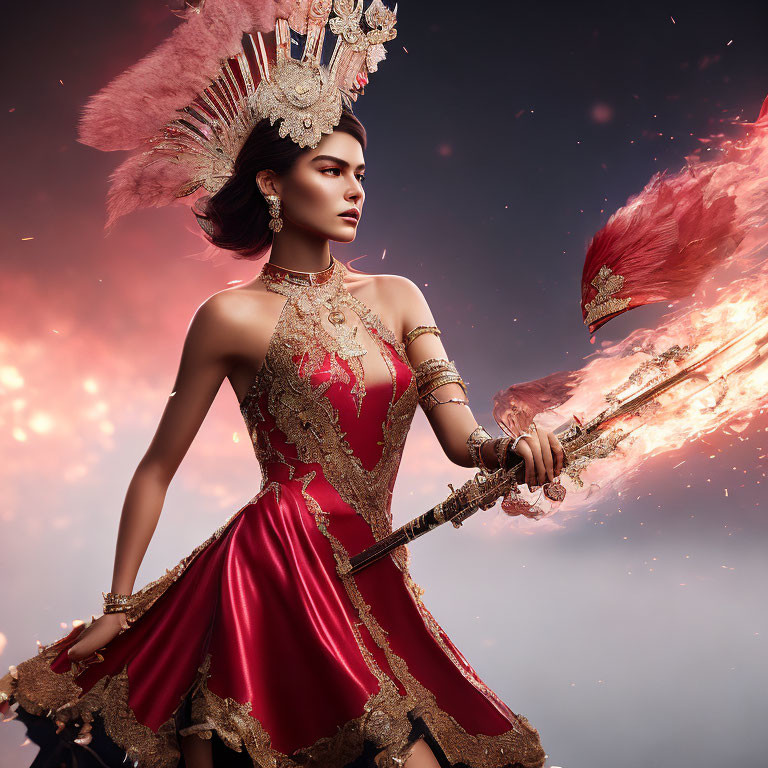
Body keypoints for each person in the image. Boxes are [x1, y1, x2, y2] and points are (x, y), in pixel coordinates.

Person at [1, 5, 564, 767]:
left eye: (359, 174)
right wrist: (120, 605)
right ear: (272, 181)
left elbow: (464, 442)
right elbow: (157, 467)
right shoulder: (229, 316)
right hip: (269, 567)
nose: (353, 190)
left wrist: (513, 451)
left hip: (372, 569)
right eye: (330, 170)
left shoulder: (399, 298)